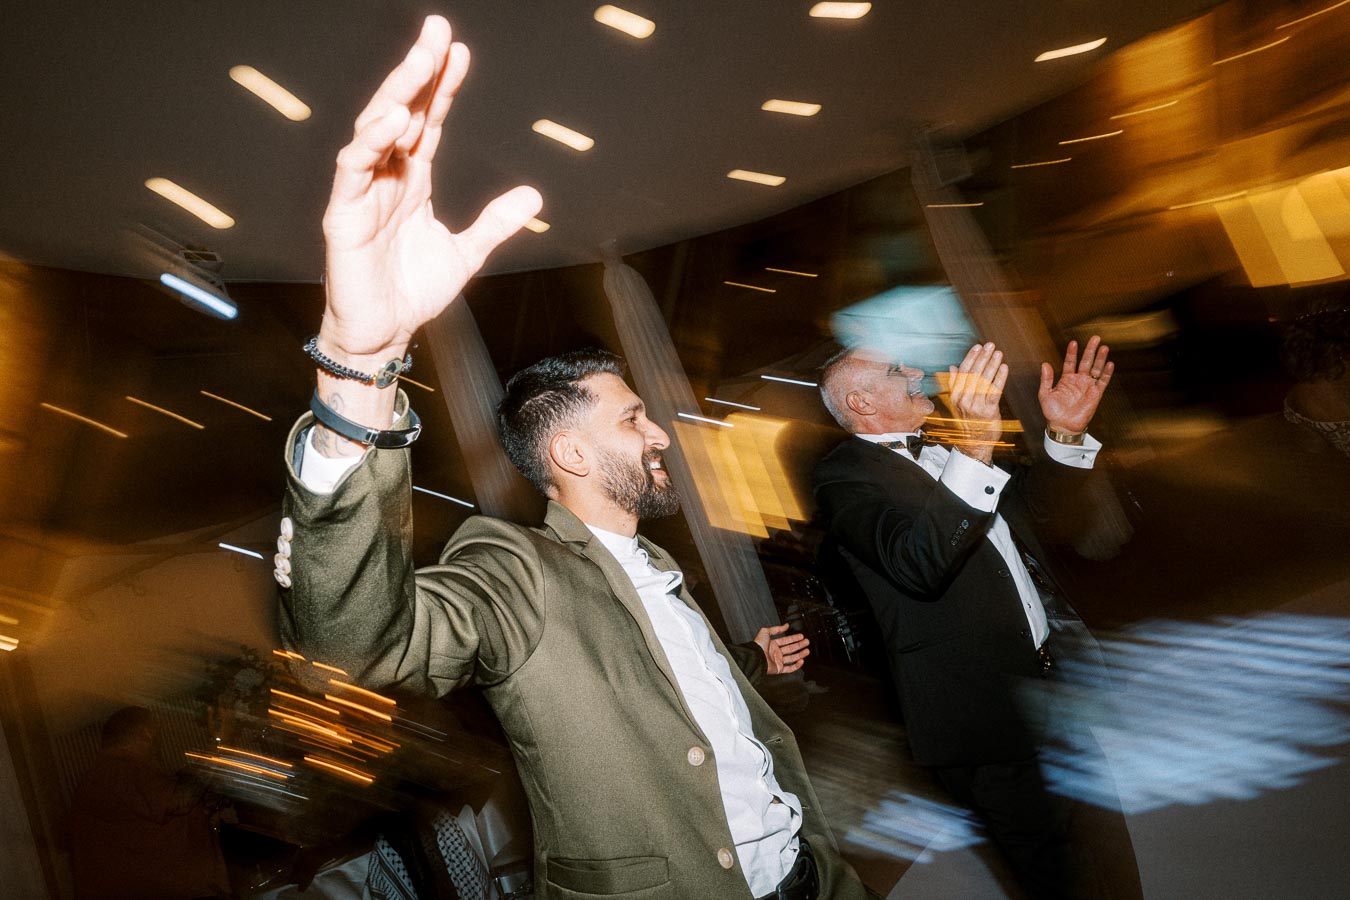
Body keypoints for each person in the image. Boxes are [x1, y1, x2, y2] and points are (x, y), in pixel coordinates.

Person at [276, 16, 871, 900]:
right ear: (569, 453)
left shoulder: (657, 563)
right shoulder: (514, 570)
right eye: (634, 418)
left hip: (813, 877)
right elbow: (363, 649)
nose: (659, 432)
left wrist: (752, 657)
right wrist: (359, 362)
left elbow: (673, 684)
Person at [813, 341, 1142, 899]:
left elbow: (1041, 513)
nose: (917, 372)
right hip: (978, 708)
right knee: (1053, 873)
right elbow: (918, 564)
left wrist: (1063, 434)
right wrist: (977, 447)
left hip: (1047, 681)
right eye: (898, 371)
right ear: (862, 402)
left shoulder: (948, 445)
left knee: (1103, 837)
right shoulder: (844, 478)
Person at [68, 707, 229, 899]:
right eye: (159, 732)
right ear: (147, 732)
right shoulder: (117, 770)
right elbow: (178, 799)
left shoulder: (113, 774)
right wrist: (218, 745)